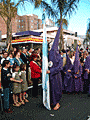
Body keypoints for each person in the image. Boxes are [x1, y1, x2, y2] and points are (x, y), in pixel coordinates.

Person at [47, 25, 62, 110]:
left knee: (56, 89)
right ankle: (52, 101)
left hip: (56, 76)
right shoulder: (50, 55)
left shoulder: (59, 57)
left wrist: (51, 71)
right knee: (51, 89)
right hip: (50, 76)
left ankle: (57, 103)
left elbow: (59, 68)